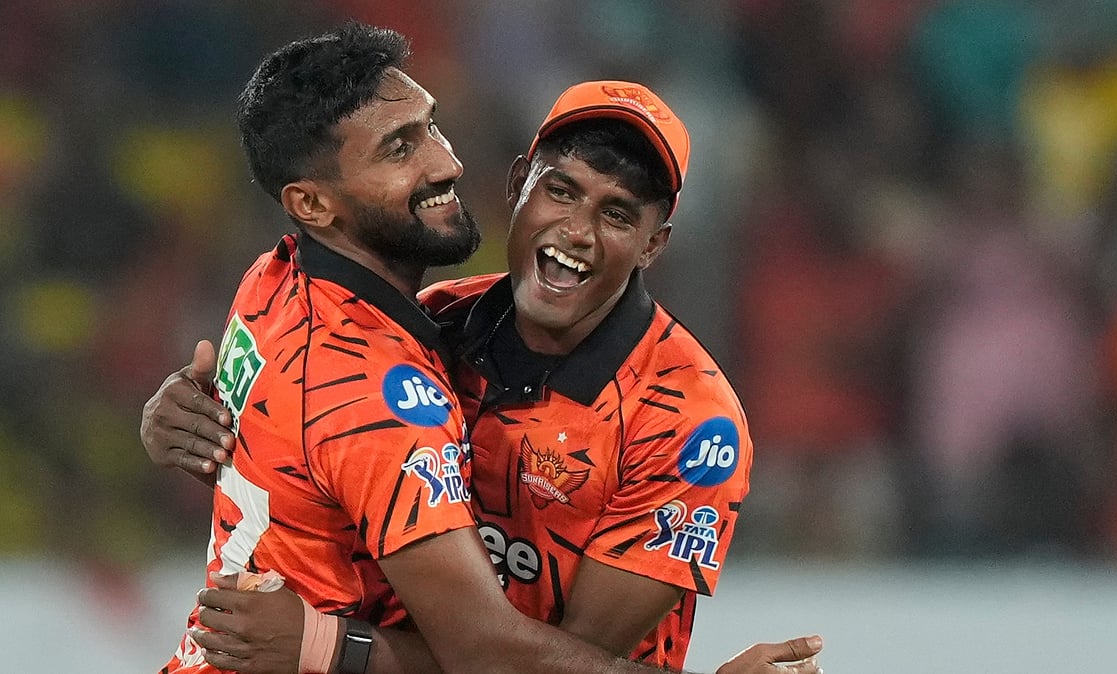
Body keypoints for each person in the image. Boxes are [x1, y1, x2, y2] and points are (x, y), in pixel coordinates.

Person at [147, 21, 822, 674]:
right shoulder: (400, 360)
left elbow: (525, 659)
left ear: (654, 243)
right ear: (519, 185)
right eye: (560, 190)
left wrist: (329, 646)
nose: (446, 159)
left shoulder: (686, 423)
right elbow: (492, 658)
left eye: (618, 214)